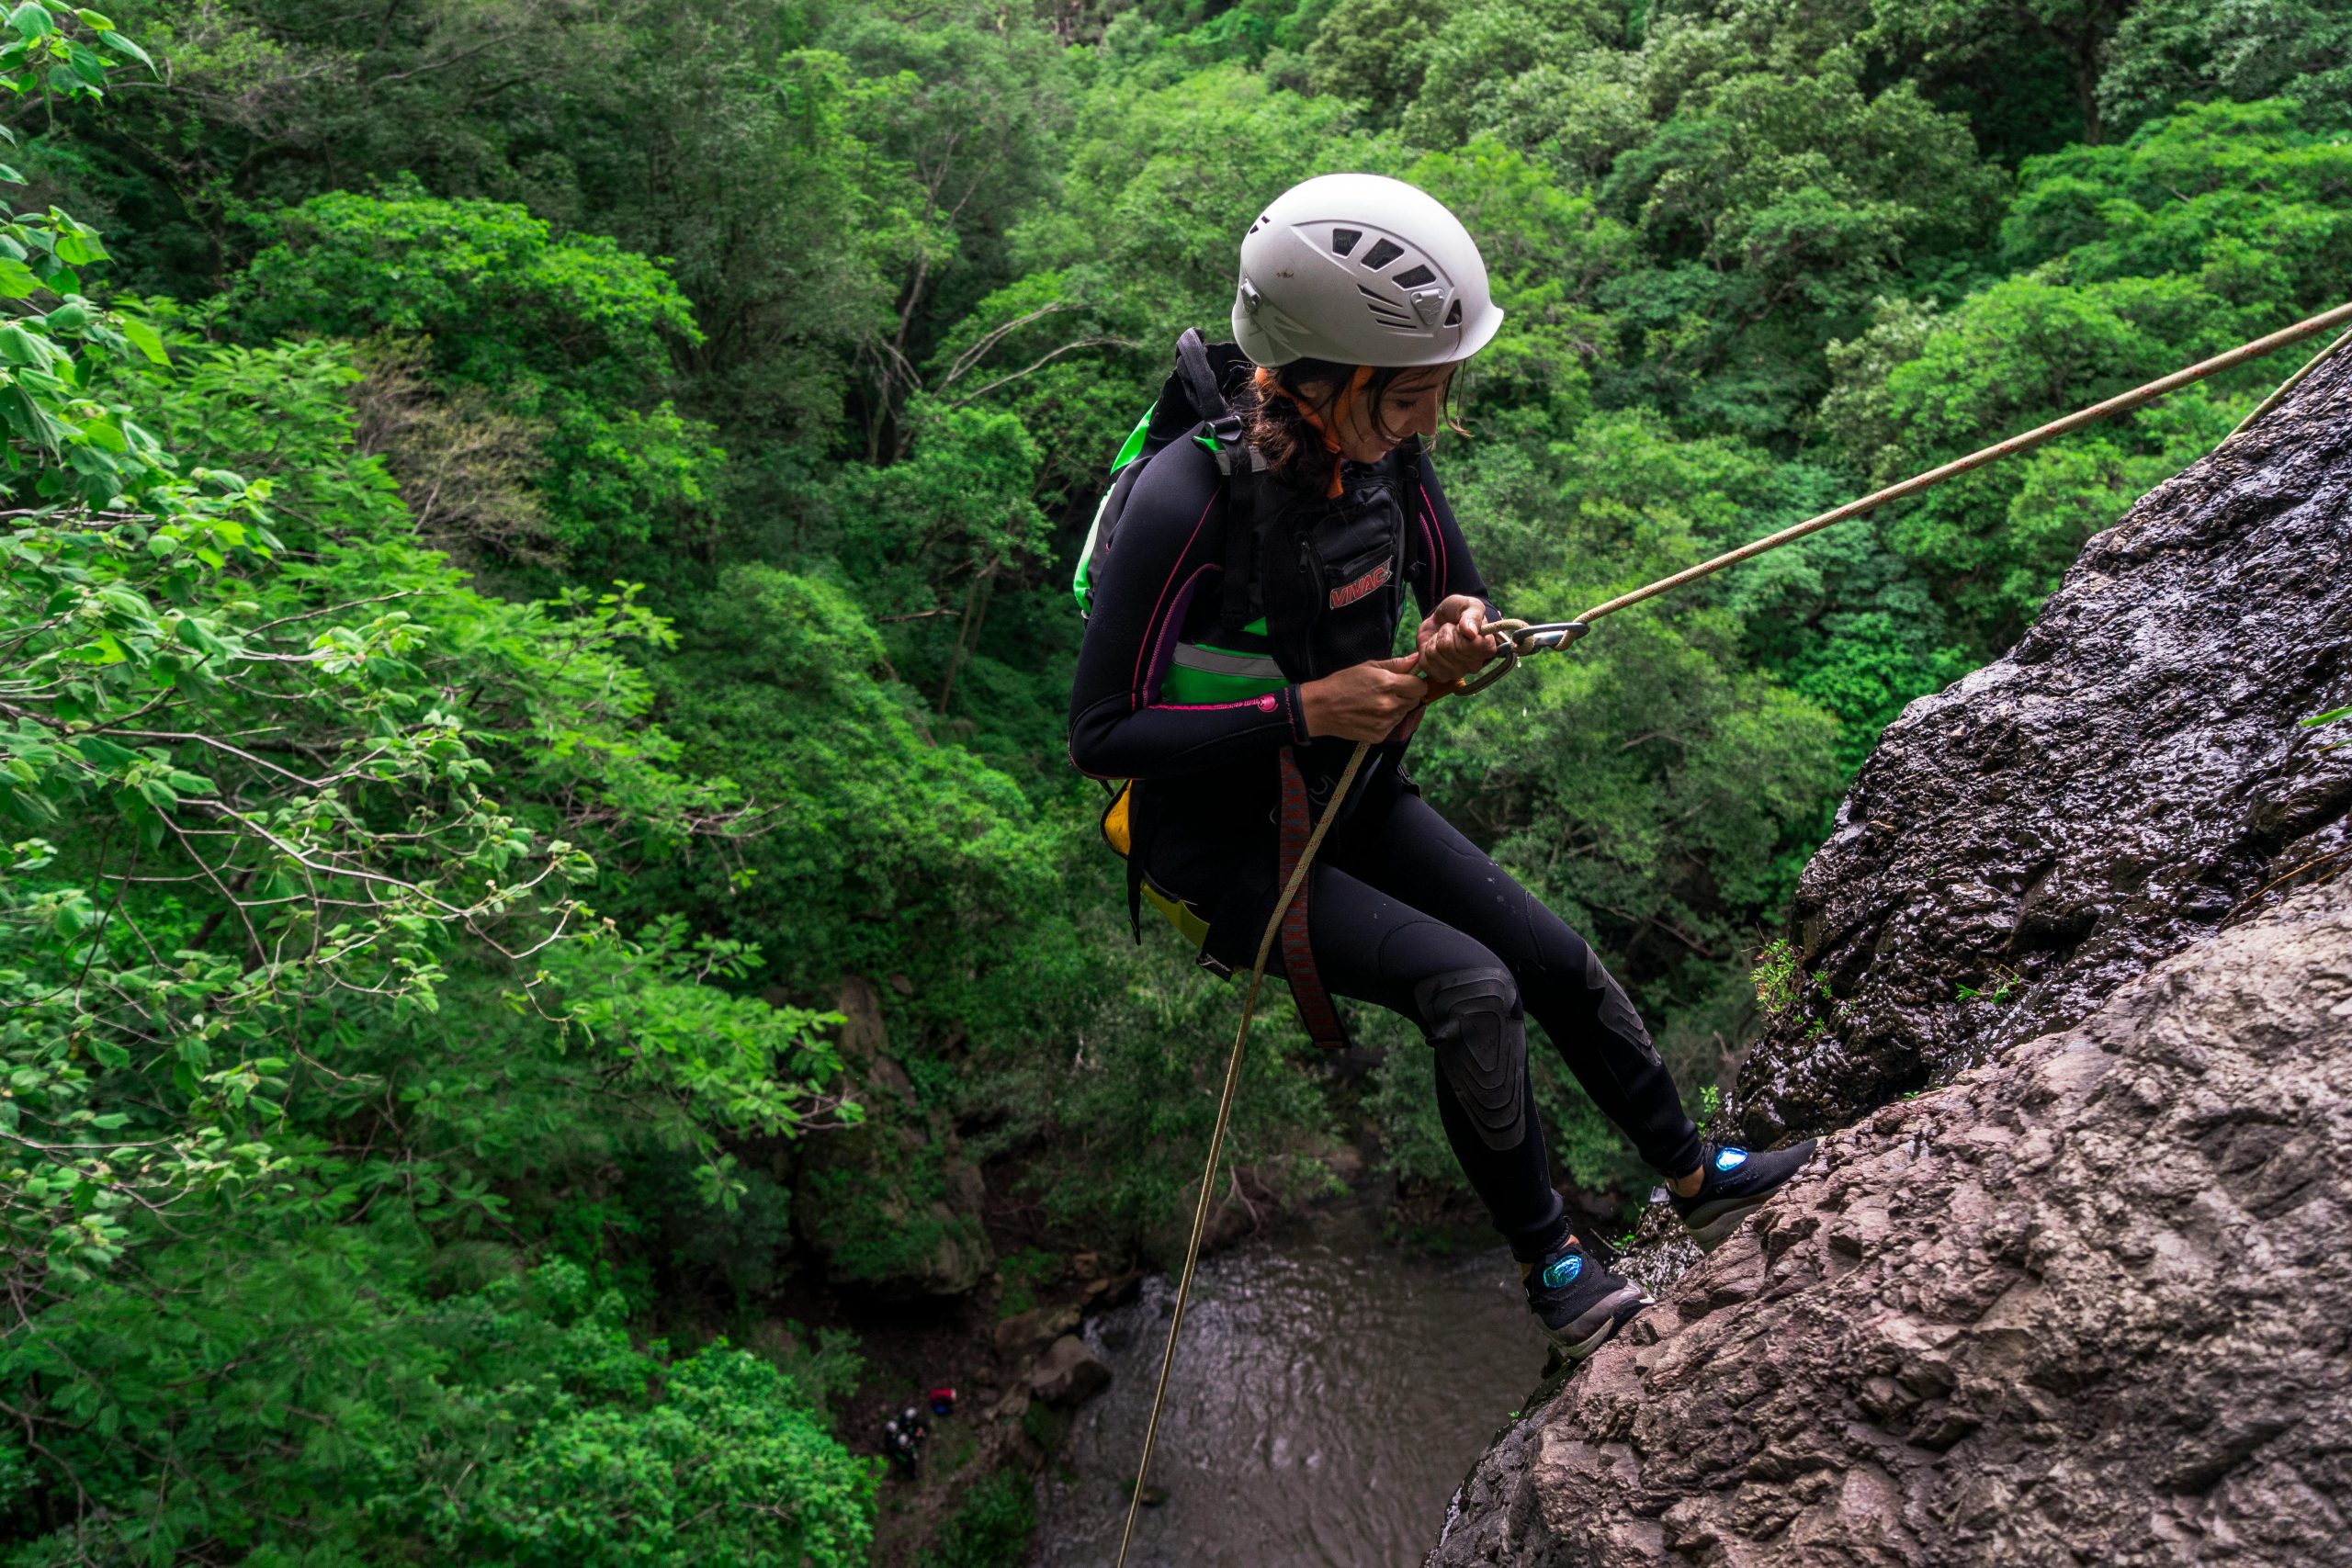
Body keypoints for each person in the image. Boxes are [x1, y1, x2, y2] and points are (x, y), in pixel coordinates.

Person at [1067, 173, 1815, 1360]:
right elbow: (1098, 736)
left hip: (1352, 801)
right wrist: (1304, 704)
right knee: (1469, 986)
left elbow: (1454, 594)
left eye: (1437, 395)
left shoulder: (1385, 457)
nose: (1430, 422)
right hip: (1216, 844)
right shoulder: (1186, 501)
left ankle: (1693, 1170)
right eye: (1410, 398)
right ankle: (1554, 1265)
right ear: (1324, 375)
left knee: (1552, 958)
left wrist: (1463, 637)